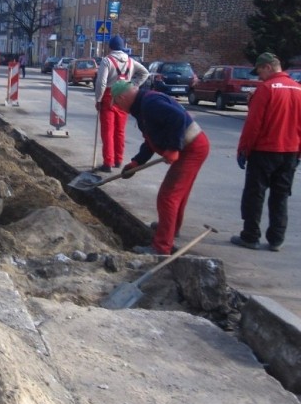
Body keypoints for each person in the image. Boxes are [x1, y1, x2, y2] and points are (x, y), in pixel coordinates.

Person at [112, 79, 210, 255]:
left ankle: (161, 247)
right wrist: (137, 162)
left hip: (192, 148)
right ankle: (172, 228)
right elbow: (151, 140)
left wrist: (173, 148)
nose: (118, 107)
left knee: (168, 196)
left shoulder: (150, 103)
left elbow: (178, 118)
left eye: (116, 103)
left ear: (122, 97)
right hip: (192, 146)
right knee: (178, 194)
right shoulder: (142, 107)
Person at [231, 52, 301, 252]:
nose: (259, 76)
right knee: (280, 196)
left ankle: (250, 236)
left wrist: (244, 149)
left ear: (268, 67)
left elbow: (254, 124)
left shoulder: (266, 89)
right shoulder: (298, 89)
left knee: (255, 194)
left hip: (264, 150)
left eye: (260, 71)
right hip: (290, 151)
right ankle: (276, 239)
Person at [93, 35, 149, 172]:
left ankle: (108, 162)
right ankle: (118, 160)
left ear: (110, 47)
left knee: (108, 132)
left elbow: (101, 82)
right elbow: (145, 73)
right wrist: (133, 86)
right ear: (122, 47)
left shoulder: (107, 61)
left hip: (109, 97)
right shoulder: (131, 61)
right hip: (125, 97)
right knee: (120, 131)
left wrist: (98, 99)